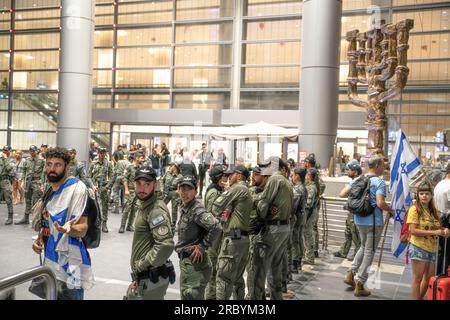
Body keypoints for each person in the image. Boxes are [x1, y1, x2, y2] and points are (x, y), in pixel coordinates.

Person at [31, 147, 94, 300]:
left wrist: (69, 229)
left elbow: (83, 228)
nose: (52, 169)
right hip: (51, 261)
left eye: (57, 165)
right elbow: (48, 223)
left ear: (67, 167)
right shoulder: (49, 190)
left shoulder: (77, 189)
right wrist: (39, 240)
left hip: (71, 265)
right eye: (49, 164)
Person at [344, 156, 395, 297]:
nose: (384, 168)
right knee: (369, 252)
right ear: (377, 165)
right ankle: (360, 283)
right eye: (383, 165)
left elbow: (343, 193)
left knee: (363, 246)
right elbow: (380, 203)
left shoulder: (358, 179)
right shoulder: (378, 182)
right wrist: (390, 210)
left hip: (358, 219)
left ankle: (350, 273)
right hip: (373, 222)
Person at [124, 165, 175, 300]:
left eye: (147, 184)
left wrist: (143, 264)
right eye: (139, 184)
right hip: (146, 278)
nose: (142, 189)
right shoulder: (145, 205)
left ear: (155, 185)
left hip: (150, 277)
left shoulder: (155, 210)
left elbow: (166, 244)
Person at [249, 156, 293, 300]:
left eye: (265, 165)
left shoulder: (274, 179)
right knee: (275, 269)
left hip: (272, 229)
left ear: (273, 166)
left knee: (259, 270)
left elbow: (263, 205)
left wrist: (258, 207)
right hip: (284, 228)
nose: (263, 169)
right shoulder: (286, 180)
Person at [175, 175, 221, 300]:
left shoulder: (196, 210)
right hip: (187, 262)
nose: (185, 193)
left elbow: (216, 226)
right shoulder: (185, 207)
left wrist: (202, 246)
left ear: (195, 191)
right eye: (182, 189)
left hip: (194, 264)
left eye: (189, 189)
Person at [212, 165, 252, 300]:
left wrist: (226, 192)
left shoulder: (238, 188)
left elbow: (216, 205)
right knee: (237, 278)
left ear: (240, 176)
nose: (229, 177)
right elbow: (226, 215)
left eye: (232, 174)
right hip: (242, 238)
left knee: (223, 278)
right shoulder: (246, 191)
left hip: (233, 238)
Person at [407, 182, 450, 300]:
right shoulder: (414, 209)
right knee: (417, 279)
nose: (424, 196)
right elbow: (413, 230)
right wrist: (435, 233)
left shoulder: (433, 211)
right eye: (421, 193)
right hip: (418, 247)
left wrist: (444, 229)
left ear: (431, 195)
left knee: (428, 279)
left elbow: (435, 227)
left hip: (432, 249)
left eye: (427, 193)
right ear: (418, 195)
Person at [203, 164, 227, 300]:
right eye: (223, 176)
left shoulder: (217, 190)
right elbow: (212, 214)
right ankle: (210, 296)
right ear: (219, 178)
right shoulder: (214, 192)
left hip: (217, 231)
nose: (225, 178)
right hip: (213, 233)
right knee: (212, 265)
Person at [245, 165, 269, 299]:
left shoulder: (266, 192)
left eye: (256, 174)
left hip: (259, 234)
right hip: (250, 233)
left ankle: (253, 296)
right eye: (253, 174)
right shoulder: (252, 190)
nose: (253, 177)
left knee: (255, 268)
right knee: (252, 267)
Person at [334, 160, 362, 260]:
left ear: (355, 170)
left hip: (355, 212)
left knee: (355, 234)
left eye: (349, 170)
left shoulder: (356, 181)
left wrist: (347, 188)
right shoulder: (356, 181)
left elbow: (342, 194)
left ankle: (357, 254)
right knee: (348, 232)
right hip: (352, 211)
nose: (347, 172)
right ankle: (344, 251)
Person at [16, 145, 45, 225]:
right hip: (28, 183)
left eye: (33, 151)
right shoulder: (27, 160)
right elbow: (24, 170)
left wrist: (42, 182)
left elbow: (44, 172)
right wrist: (22, 180)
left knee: (36, 202)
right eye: (31, 151)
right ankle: (26, 218)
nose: (32, 152)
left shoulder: (41, 161)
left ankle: (37, 220)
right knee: (28, 200)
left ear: (36, 151)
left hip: (37, 183)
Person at [119, 152, 145, 233]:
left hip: (138, 192)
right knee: (127, 209)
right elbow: (124, 178)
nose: (143, 160)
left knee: (135, 209)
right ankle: (122, 226)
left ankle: (130, 225)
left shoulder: (141, 168)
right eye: (141, 158)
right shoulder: (130, 167)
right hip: (130, 191)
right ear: (137, 158)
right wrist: (126, 189)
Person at [89, 148, 113, 233]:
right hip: (95, 188)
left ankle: (104, 224)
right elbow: (88, 176)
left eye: (104, 153)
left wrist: (108, 186)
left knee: (104, 206)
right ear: (98, 153)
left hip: (104, 187)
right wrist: (92, 185)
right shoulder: (93, 163)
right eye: (101, 153)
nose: (102, 155)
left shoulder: (109, 164)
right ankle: (95, 224)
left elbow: (111, 176)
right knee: (94, 206)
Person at [290, 165, 308, 273]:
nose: (292, 176)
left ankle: (295, 262)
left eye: (293, 174)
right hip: (302, 214)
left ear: (297, 176)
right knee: (299, 238)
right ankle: (299, 260)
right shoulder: (304, 187)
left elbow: (293, 206)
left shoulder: (297, 188)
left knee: (294, 240)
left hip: (297, 215)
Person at [303, 168, 320, 265]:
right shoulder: (311, 186)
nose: (305, 176)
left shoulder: (311, 188)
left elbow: (308, 203)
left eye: (307, 174)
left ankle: (309, 257)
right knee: (307, 234)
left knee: (308, 234)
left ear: (310, 176)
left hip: (309, 214)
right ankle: (308, 255)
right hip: (310, 213)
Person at [161, 161, 183, 232]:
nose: (170, 166)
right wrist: (162, 189)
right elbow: (162, 181)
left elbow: (182, 185)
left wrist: (178, 190)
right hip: (166, 193)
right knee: (161, 206)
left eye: (172, 165)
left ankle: (173, 225)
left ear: (175, 167)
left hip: (174, 194)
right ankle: (162, 221)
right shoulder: (167, 173)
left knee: (174, 210)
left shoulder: (180, 176)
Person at [1, 146, 15, 225]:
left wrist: (6, 158)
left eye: (6, 150)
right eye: (4, 150)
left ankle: (10, 217)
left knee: (8, 199)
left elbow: (10, 168)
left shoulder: (11, 160)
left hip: (5, 180)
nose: (5, 152)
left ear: (10, 151)